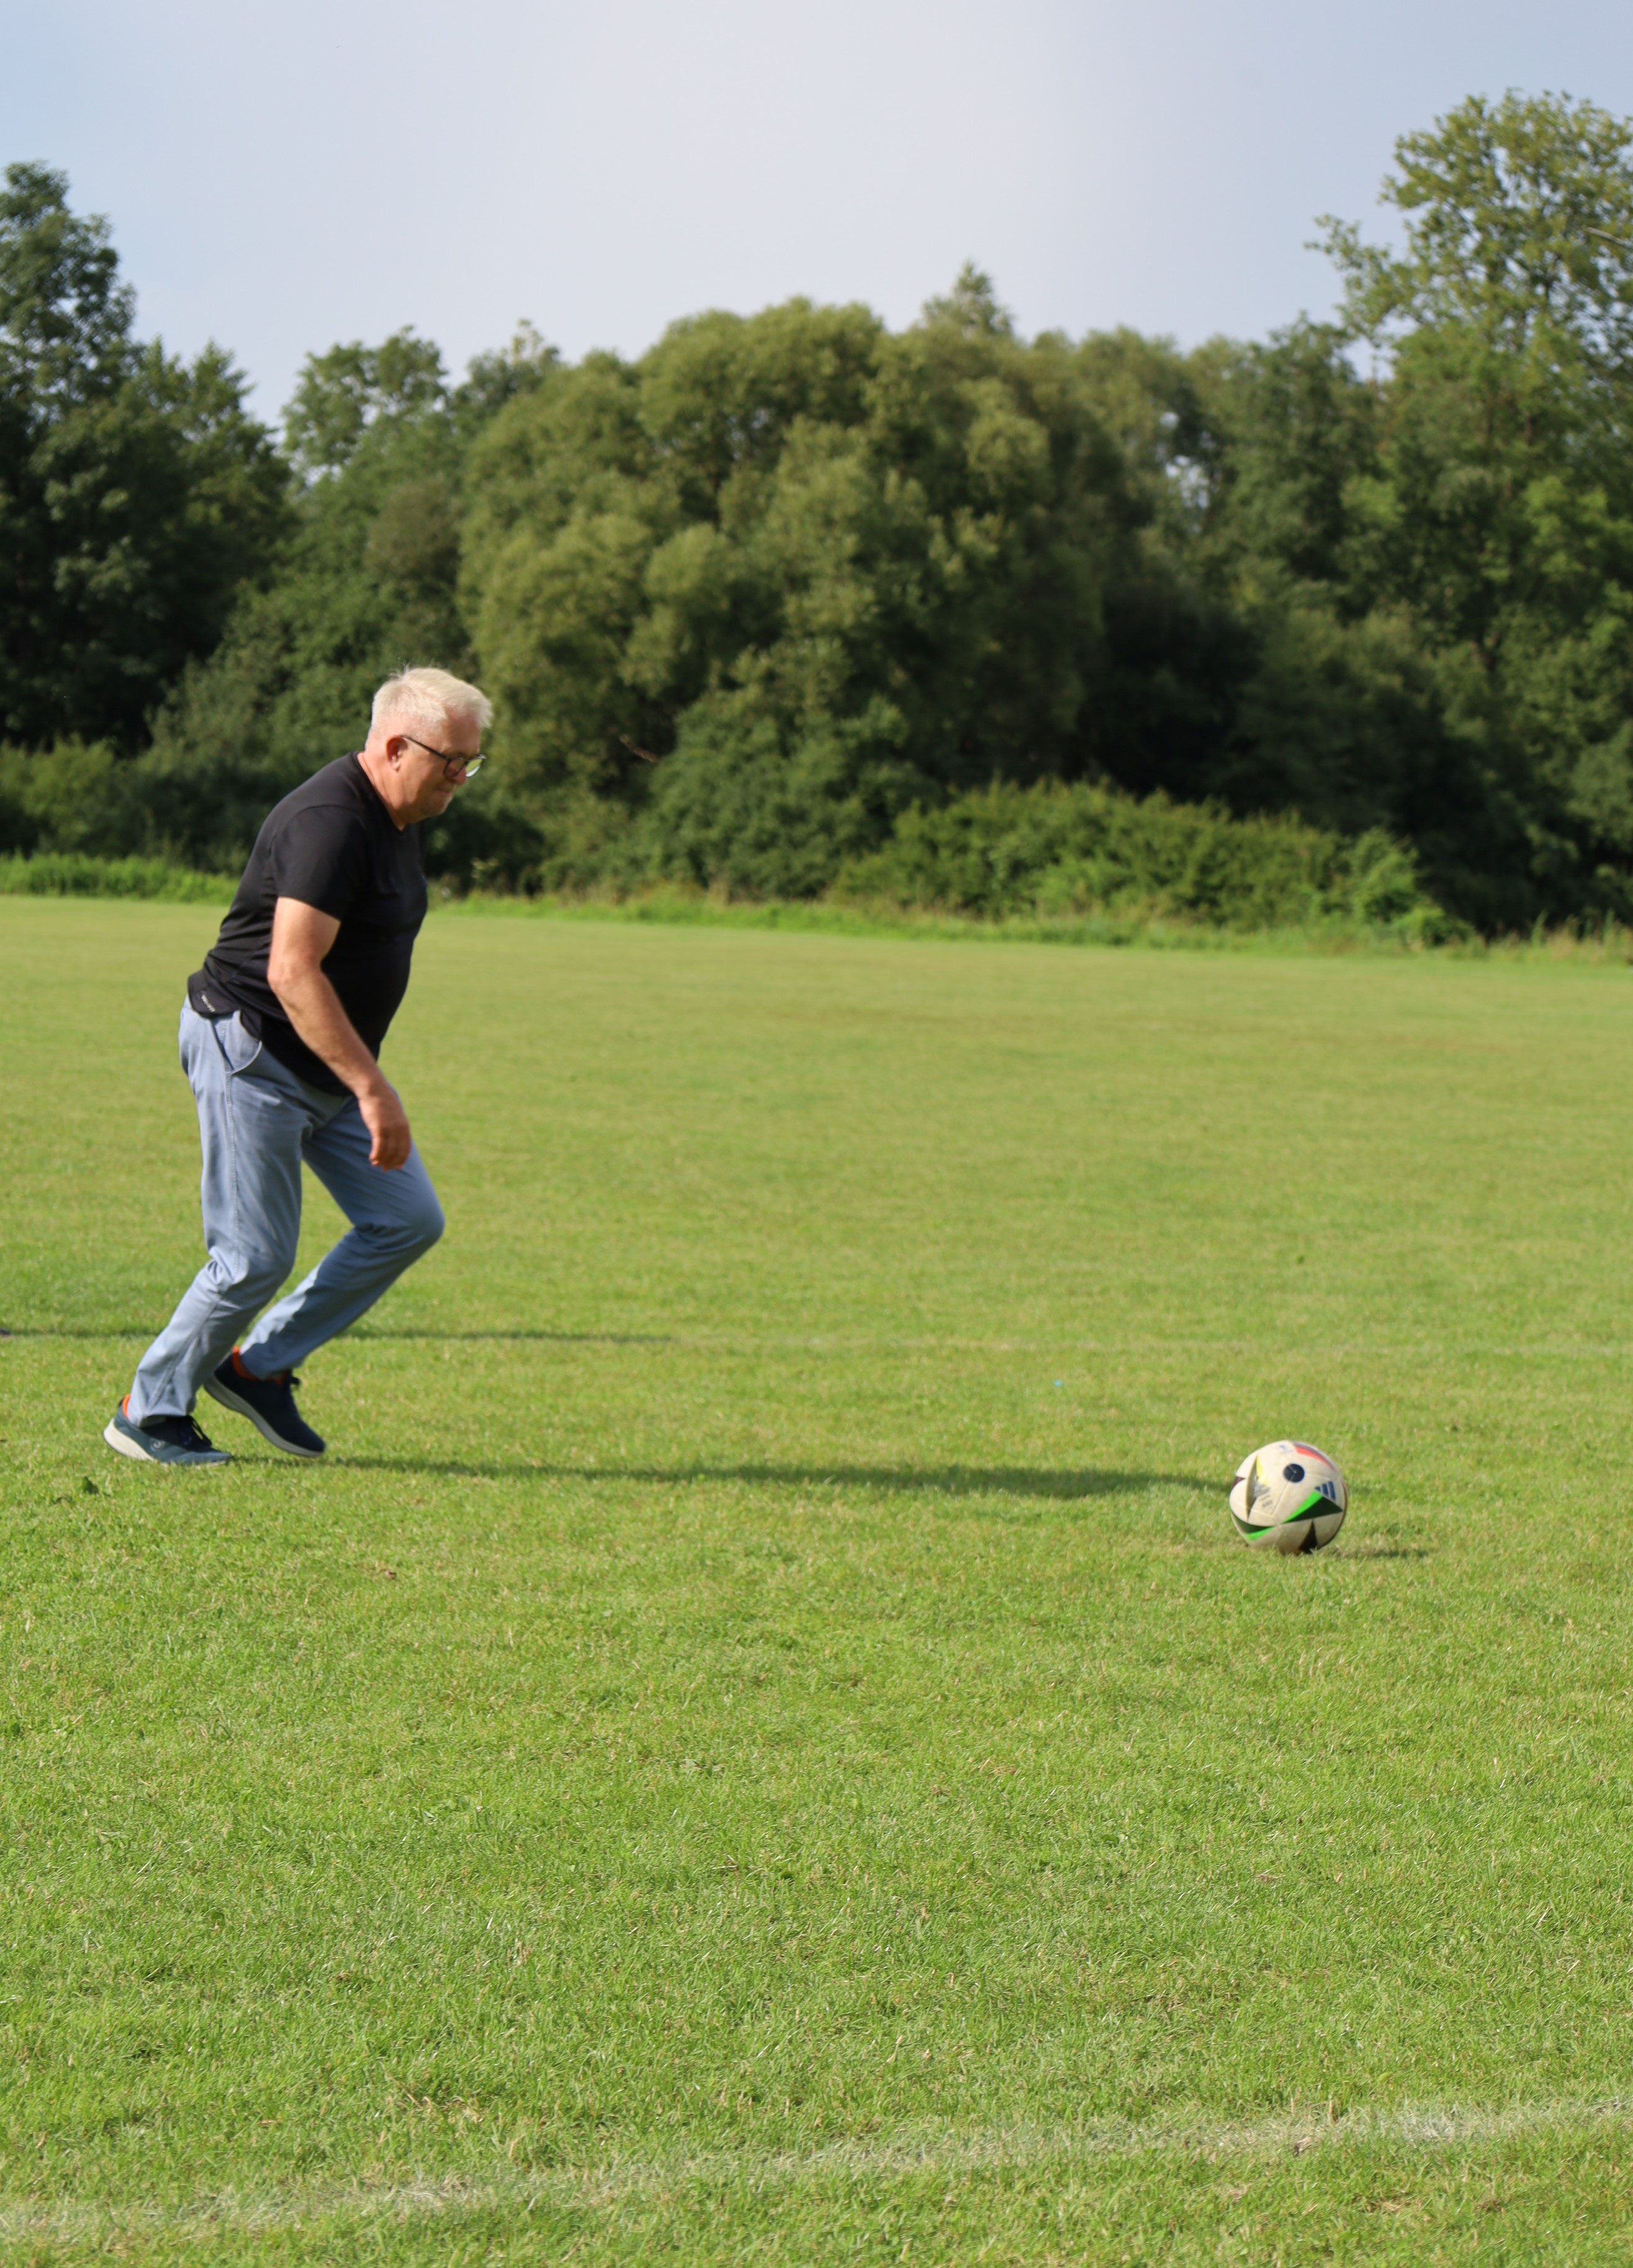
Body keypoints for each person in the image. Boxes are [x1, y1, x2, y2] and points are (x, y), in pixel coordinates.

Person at [105, 667, 492, 1467]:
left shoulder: (401, 812)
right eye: (450, 760)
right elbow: (291, 970)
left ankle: (258, 1368)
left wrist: (356, 1077)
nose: (460, 777)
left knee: (407, 1220)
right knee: (253, 1257)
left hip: (323, 1067)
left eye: (471, 762)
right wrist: (372, 1086)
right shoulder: (331, 821)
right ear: (395, 747)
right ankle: (149, 1410)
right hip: (251, 1050)